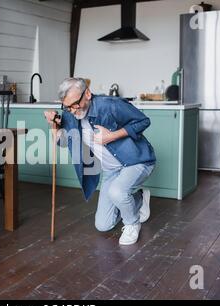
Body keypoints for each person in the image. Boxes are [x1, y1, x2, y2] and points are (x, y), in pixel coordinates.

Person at [44, 78, 156, 245]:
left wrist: (112, 136)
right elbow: (63, 142)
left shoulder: (109, 105)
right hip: (111, 170)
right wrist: (53, 125)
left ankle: (132, 223)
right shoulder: (70, 113)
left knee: (117, 192)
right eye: (67, 106)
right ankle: (139, 199)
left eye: (75, 104)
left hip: (136, 161)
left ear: (87, 94)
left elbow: (144, 121)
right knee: (103, 225)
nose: (72, 110)